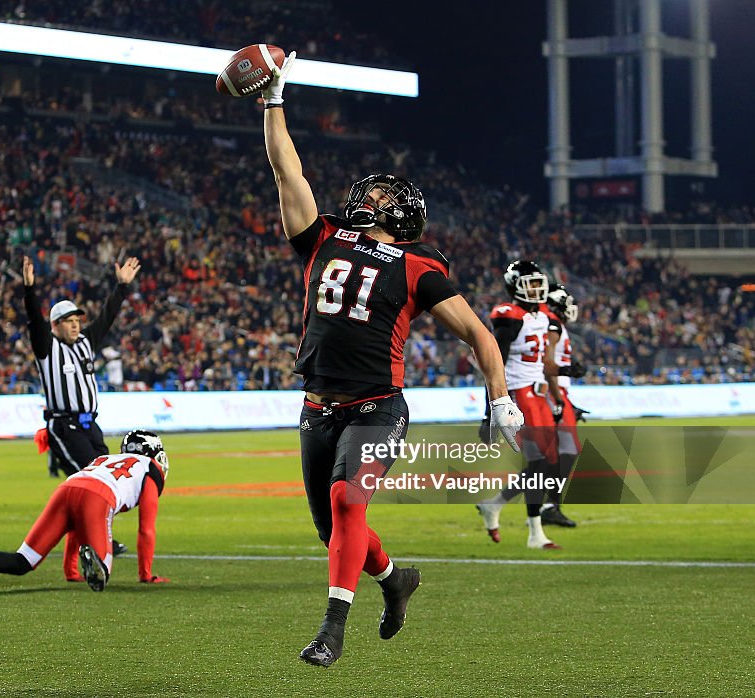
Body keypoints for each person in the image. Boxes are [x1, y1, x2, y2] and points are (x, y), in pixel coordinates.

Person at [260, 54, 524, 667]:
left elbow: (480, 335)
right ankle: (394, 580)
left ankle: (333, 627)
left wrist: (501, 397)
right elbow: (285, 172)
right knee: (334, 533)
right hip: (318, 404)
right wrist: (274, 102)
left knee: (350, 505)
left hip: (379, 405)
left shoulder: (418, 265)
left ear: (400, 215)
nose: (368, 195)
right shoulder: (324, 236)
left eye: (381, 194)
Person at [0, 429, 170, 593]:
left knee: (23, 561)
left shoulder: (104, 459)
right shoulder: (150, 468)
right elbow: (146, 529)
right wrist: (145, 575)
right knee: (101, 574)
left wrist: (70, 572)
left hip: (67, 488)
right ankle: (94, 559)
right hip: (98, 495)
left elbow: (76, 522)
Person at [21, 254, 140, 478]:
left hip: (90, 425)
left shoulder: (86, 341)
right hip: (66, 425)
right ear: (55, 325)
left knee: (108, 481)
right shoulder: (48, 347)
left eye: (78, 321)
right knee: (93, 480)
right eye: (69, 321)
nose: (76, 326)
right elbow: (36, 322)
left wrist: (122, 286)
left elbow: (107, 316)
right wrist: (29, 290)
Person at [475, 261, 563, 549]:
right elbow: (492, 361)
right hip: (517, 395)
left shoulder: (542, 315)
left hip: (537, 397)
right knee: (538, 462)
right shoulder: (509, 316)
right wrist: (491, 410)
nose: (537, 289)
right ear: (514, 285)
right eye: (531, 284)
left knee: (546, 463)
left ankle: (495, 504)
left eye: (539, 283)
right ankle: (535, 534)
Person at [541, 283, 588, 527]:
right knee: (565, 451)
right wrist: (559, 399)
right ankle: (550, 505)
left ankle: (549, 504)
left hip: (555, 391)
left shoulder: (553, 324)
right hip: (550, 391)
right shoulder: (552, 323)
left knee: (558, 454)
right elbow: (546, 363)